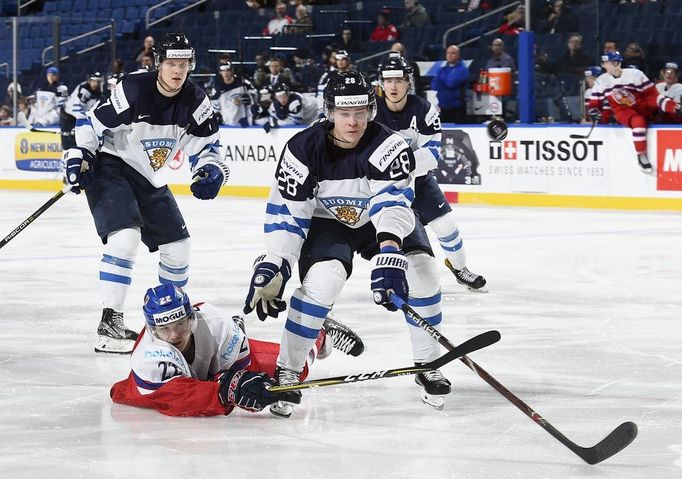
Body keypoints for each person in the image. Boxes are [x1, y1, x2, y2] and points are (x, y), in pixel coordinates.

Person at [244, 71, 452, 418]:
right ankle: (288, 368)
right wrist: (276, 261)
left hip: (379, 221)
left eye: (360, 112)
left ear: (371, 110)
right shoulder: (301, 149)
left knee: (424, 272)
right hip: (329, 223)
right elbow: (289, 215)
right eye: (344, 113)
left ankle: (428, 362)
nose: (353, 122)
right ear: (329, 112)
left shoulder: (389, 145)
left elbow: (394, 205)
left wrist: (389, 252)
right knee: (322, 284)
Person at [62, 33, 230, 354]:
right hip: (111, 165)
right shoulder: (134, 89)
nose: (177, 71)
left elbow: (207, 148)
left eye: (183, 65)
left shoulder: (195, 100)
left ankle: (171, 321)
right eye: (171, 64)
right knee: (124, 238)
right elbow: (93, 124)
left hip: (149, 176)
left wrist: (210, 170)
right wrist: (80, 154)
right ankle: (110, 323)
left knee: (179, 249)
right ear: (158, 64)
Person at [110, 283, 365, 416]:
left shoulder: (217, 325)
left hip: (220, 358)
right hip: (160, 388)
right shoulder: (148, 358)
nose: (175, 335)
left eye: (180, 324)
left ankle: (319, 334)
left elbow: (242, 376)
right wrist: (227, 391)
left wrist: (243, 388)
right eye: (165, 329)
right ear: (152, 330)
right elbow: (179, 398)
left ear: (192, 317)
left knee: (292, 371)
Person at [374, 54, 486, 291]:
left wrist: (394, 163)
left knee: (447, 226)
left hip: (419, 181)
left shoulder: (424, 110)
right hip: (381, 186)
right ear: (381, 83)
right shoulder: (371, 111)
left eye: (399, 80)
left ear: (408, 82)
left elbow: (431, 156)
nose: (393, 86)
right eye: (388, 80)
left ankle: (459, 268)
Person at [587, 51, 681, 174]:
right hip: (623, 110)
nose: (604, 66)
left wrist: (673, 106)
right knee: (638, 121)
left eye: (606, 63)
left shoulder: (635, 75)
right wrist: (594, 111)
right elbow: (594, 103)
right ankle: (641, 155)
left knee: (663, 109)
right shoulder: (601, 81)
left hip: (642, 106)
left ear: (616, 63)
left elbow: (653, 96)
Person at [59, 72, 104, 150]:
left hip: (77, 116)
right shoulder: (85, 90)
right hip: (69, 116)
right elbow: (78, 107)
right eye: (93, 81)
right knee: (68, 144)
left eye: (98, 81)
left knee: (78, 142)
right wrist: (84, 121)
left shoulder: (97, 92)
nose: (96, 84)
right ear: (89, 81)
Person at [210, 62, 256, 127]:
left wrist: (250, 101)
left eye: (228, 70)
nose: (225, 73)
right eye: (223, 71)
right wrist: (218, 117)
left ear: (232, 71)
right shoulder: (217, 89)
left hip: (244, 124)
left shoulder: (243, 85)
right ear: (220, 72)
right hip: (227, 125)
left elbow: (253, 102)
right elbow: (215, 108)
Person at [431, 45, 468, 123]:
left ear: (458, 55)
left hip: (457, 108)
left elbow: (451, 83)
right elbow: (434, 85)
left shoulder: (463, 70)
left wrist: (442, 82)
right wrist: (444, 82)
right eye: (448, 53)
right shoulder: (442, 69)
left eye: (453, 53)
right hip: (443, 107)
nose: (450, 55)